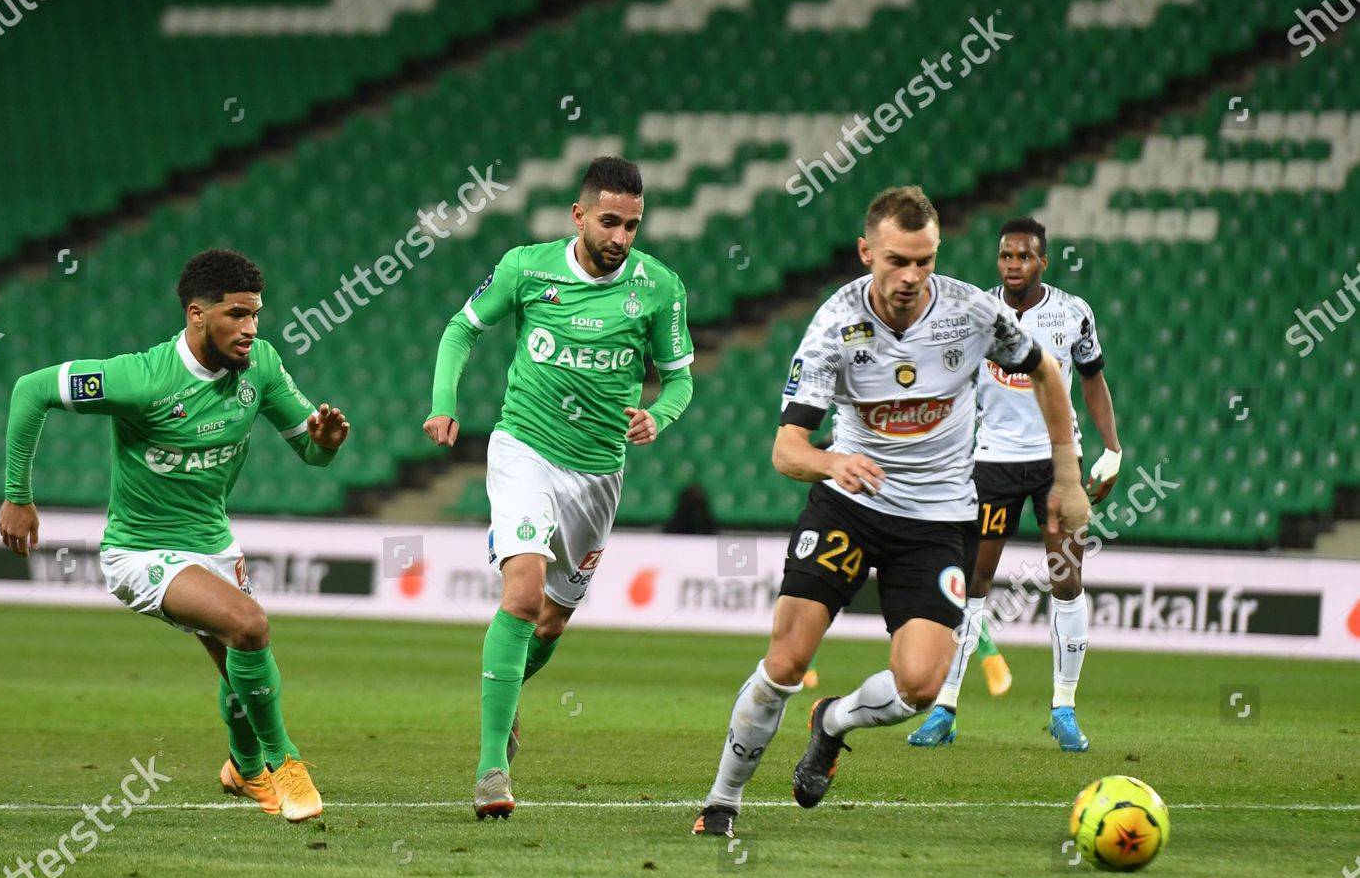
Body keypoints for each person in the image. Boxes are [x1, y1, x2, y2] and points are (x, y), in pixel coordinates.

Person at [691, 187, 1089, 837]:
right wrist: (832, 463)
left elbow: (1046, 369)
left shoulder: (972, 311)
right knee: (787, 658)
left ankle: (833, 721)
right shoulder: (833, 325)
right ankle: (722, 801)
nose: (911, 277)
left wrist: (1067, 473)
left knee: (921, 686)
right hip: (848, 504)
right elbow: (786, 449)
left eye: (925, 261)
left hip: (937, 520)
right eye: (898, 260)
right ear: (866, 250)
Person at [0, 248, 347, 823]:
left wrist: (326, 442)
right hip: (140, 551)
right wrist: (18, 495)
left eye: (256, 314)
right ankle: (285, 764)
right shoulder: (140, 379)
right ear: (197, 314)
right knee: (250, 626)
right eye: (237, 314)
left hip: (213, 543)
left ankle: (241, 766)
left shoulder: (259, 364)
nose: (251, 329)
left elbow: (310, 451)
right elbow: (30, 390)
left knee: (236, 659)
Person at [423, 156, 695, 819]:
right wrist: (443, 399)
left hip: (598, 471)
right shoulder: (526, 267)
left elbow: (681, 378)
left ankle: (507, 699)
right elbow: (462, 328)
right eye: (609, 221)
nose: (621, 236)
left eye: (632, 224)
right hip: (525, 448)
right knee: (521, 592)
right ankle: (492, 767)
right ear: (578, 215)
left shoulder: (659, 287)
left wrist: (656, 414)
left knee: (552, 618)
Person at [908, 218, 1120, 751]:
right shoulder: (974, 311)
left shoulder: (1073, 314)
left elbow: (1092, 379)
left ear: (1043, 261)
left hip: (1057, 462)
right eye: (1005, 256)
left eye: (1024, 256)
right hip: (992, 463)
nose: (1013, 265)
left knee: (1065, 578)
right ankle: (945, 708)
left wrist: (1112, 449)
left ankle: (1064, 707)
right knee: (971, 582)